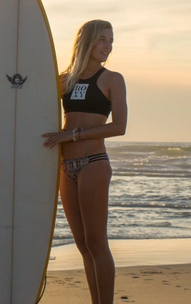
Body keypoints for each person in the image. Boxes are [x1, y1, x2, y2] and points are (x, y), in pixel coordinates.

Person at [44, 19, 127, 304]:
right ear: (88, 41)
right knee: (81, 245)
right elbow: (27, 107)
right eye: (103, 40)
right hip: (67, 168)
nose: (108, 46)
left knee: (96, 242)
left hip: (94, 163)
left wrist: (73, 134)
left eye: (111, 41)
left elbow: (119, 127)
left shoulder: (112, 79)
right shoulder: (64, 80)